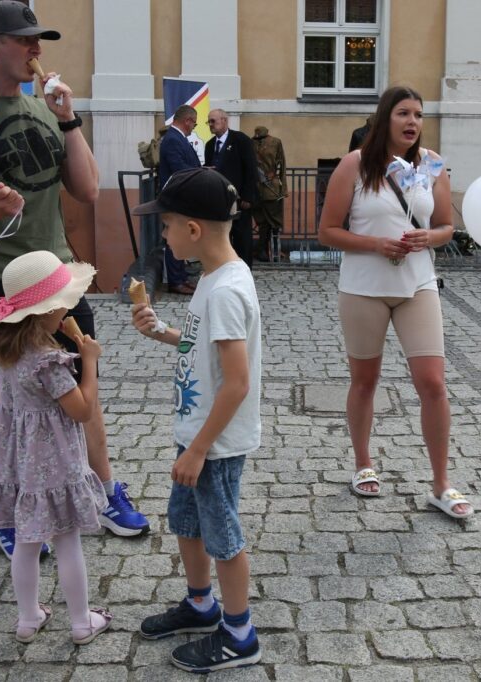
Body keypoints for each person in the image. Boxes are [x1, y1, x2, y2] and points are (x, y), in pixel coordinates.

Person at [0, 0, 149, 559]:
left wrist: (68, 118)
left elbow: (89, 190)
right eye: (24, 40)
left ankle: (106, 488)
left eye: (38, 40)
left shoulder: (47, 109)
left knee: (79, 385)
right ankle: (7, 511)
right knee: (1, 396)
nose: (36, 51)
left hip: (60, 275)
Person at [130, 168, 262, 673]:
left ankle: (239, 633)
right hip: (197, 434)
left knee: (222, 536)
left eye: (166, 226)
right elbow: (198, 343)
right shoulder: (215, 275)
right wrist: (162, 331)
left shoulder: (227, 290)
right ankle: (201, 605)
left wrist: (201, 447)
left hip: (216, 443)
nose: (162, 235)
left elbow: (236, 383)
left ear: (192, 231)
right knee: (187, 521)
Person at [318, 85, 472, 519]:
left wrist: (431, 237)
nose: (413, 122)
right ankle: (363, 463)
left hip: (418, 284)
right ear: (384, 118)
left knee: (433, 383)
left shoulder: (431, 165)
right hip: (364, 287)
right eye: (404, 113)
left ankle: (441, 484)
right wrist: (375, 244)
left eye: (419, 115)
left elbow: (445, 226)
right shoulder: (355, 165)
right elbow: (327, 231)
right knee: (365, 381)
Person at [0, 250, 112, 646]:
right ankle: (80, 622)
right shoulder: (48, 362)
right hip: (54, 462)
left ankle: (27, 618)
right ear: (46, 312)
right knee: (68, 539)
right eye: (63, 304)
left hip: (19, 462)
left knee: (26, 540)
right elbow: (81, 410)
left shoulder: (1, 351)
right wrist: (88, 361)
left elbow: (8, 403)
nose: (68, 309)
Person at [204, 109, 259, 267]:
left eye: (213, 121)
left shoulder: (241, 140)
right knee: (221, 237)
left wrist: (248, 196)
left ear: (224, 120)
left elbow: (250, 169)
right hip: (218, 201)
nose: (210, 125)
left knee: (242, 237)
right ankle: (223, 269)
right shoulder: (209, 145)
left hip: (239, 199)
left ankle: (244, 270)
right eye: (209, 122)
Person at [160, 104, 202, 295]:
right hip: (176, 196)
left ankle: (182, 277)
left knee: (182, 237)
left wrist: (201, 171)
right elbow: (178, 168)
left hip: (181, 195)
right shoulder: (173, 139)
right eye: (194, 123)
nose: (194, 127)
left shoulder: (178, 138)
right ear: (187, 121)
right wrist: (200, 172)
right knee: (174, 239)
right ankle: (176, 281)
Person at [251, 126, 288, 262]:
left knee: (273, 221)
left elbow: (282, 165)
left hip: (271, 188)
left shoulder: (276, 142)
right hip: (255, 188)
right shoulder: (250, 143)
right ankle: (262, 250)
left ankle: (271, 250)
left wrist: (283, 189)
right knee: (262, 221)